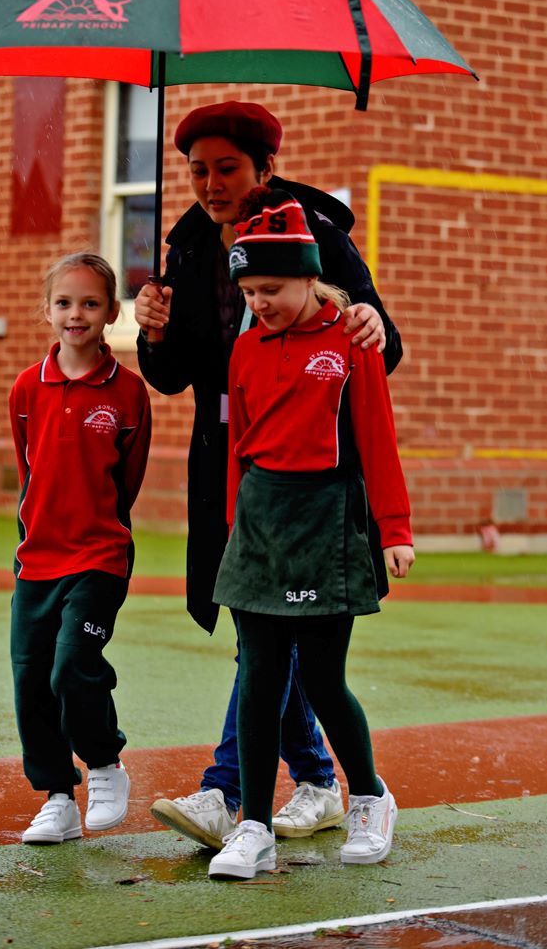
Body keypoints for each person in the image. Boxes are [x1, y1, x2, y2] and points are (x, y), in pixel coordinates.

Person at [135, 101, 402, 849]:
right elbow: (173, 373)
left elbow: (379, 341)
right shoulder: (185, 248)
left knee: (270, 638)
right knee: (261, 625)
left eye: (226, 168)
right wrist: (154, 332)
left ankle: (229, 789)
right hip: (230, 462)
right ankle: (316, 778)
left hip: (315, 472)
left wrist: (373, 325)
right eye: (197, 170)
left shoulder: (317, 235)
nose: (210, 183)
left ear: (263, 169)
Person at [207, 187, 414, 880]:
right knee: (260, 678)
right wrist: (238, 531)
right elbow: (239, 448)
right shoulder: (244, 350)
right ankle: (254, 827)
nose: (258, 302)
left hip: (328, 515)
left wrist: (395, 527)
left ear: (308, 275)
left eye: (271, 288)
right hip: (259, 523)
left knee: (324, 678)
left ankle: (371, 798)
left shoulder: (353, 337)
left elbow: (377, 440)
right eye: (249, 290)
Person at [9, 251, 151, 844]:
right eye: (65, 303)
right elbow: (28, 467)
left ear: (111, 313)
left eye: (90, 303)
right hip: (37, 561)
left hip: (99, 556)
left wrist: (98, 528)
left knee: (73, 667)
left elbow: (129, 480)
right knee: (31, 680)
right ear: (47, 310)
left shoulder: (128, 393)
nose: (76, 314)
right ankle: (58, 798)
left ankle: (104, 761)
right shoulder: (25, 389)